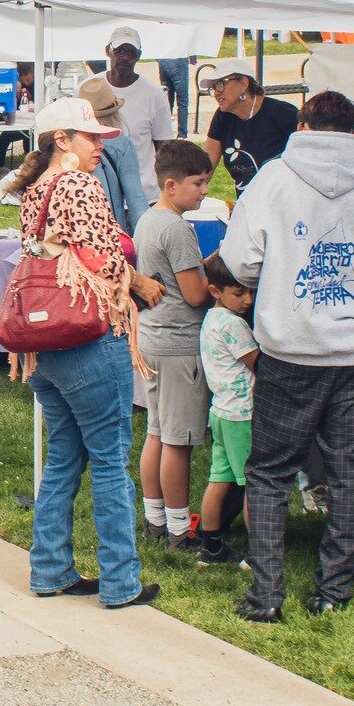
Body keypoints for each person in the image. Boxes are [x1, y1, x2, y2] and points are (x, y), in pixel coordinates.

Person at [221, 90, 354, 623]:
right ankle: (333, 590)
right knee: (349, 471)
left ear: (303, 125)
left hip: (290, 347)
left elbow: (240, 261)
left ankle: (266, 594)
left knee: (268, 472)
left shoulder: (273, 179)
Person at [12, 96, 165, 611]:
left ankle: (50, 569)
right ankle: (122, 581)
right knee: (108, 458)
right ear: (62, 140)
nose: (100, 145)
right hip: (89, 337)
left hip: (44, 345)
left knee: (63, 460)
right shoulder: (78, 184)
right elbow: (102, 259)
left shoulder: (33, 187)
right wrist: (139, 279)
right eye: (90, 136)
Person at [134, 139, 219, 550]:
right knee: (178, 440)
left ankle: (154, 519)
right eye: (198, 183)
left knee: (156, 431)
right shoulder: (178, 228)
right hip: (179, 344)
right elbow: (195, 296)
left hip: (153, 337)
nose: (204, 190)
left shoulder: (151, 219)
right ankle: (179, 530)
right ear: (171, 185)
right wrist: (215, 281)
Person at [195, 254, 258, 568]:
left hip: (219, 411)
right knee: (253, 483)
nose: (247, 299)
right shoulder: (235, 325)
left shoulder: (211, 318)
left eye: (250, 291)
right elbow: (256, 363)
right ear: (215, 291)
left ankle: (211, 546)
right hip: (242, 415)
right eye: (239, 293)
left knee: (218, 479)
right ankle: (260, 552)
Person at [102, 26, 173, 201]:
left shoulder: (154, 94)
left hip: (144, 195)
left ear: (139, 56)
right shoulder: (90, 89)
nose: (125, 57)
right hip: (101, 194)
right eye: (119, 51)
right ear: (108, 51)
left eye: (131, 52)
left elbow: (163, 146)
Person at [205, 71, 299, 194]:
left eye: (220, 84)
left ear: (244, 83)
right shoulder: (223, 117)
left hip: (283, 202)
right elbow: (206, 164)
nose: (217, 93)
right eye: (213, 88)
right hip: (247, 205)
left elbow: (307, 156)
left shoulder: (283, 113)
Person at [76, 76, 148, 234]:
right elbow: (136, 200)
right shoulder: (121, 144)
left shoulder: (71, 143)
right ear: (115, 112)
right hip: (111, 233)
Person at [157, 53, 194, 139]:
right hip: (179, 59)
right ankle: (182, 134)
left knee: (166, 99)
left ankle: (165, 132)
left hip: (163, 59)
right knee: (182, 101)